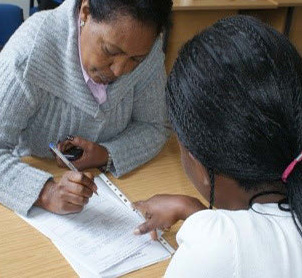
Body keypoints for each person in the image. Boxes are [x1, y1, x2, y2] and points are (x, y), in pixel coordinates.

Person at [133, 15, 302, 277]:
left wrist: (211, 229)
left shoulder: (217, 249)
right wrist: (197, 213)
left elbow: (231, 253)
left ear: (199, 164)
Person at [0, 0, 172, 216]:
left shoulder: (145, 47)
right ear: (85, 12)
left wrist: (106, 154)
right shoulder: (29, 54)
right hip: (27, 182)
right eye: (110, 51)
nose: (119, 70)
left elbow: (155, 126)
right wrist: (45, 192)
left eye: (136, 59)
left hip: (117, 188)